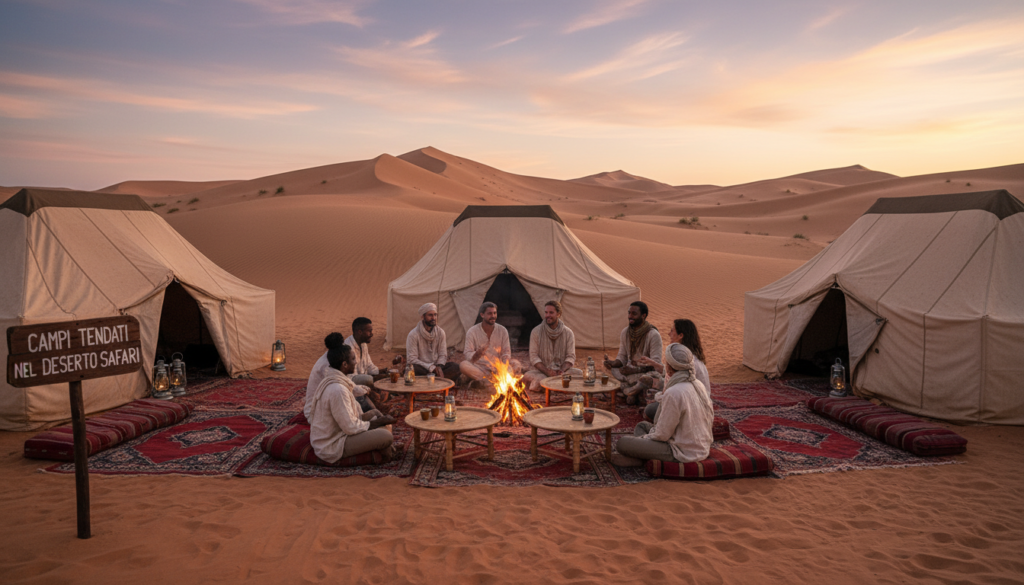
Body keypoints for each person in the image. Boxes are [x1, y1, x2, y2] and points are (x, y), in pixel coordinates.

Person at [613, 343, 714, 466]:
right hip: (701, 447)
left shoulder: (674, 392)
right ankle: (642, 455)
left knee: (622, 443)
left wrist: (644, 440)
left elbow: (662, 435)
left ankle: (640, 458)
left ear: (670, 368)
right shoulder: (698, 384)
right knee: (642, 426)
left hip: (681, 451)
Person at [308, 344, 397, 464]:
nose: (356, 363)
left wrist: (377, 421)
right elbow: (350, 427)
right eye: (353, 359)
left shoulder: (337, 379)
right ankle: (387, 453)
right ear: (344, 364)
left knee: (375, 413)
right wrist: (378, 422)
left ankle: (388, 448)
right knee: (386, 436)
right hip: (333, 444)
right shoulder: (338, 389)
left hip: (341, 430)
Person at [638, 318, 710, 422]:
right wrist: (653, 364)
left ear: (681, 336)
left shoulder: (687, 360)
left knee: (650, 410)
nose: (669, 334)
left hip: (692, 406)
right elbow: (674, 373)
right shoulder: (686, 356)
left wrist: (659, 397)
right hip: (692, 401)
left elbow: (675, 390)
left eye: (672, 331)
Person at [602, 301, 663, 405]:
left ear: (643, 315)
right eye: (629, 313)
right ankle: (635, 391)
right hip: (629, 372)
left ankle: (627, 391)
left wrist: (635, 370)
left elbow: (655, 365)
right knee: (609, 370)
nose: (630, 316)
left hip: (644, 373)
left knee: (649, 378)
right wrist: (612, 363)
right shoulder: (625, 332)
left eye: (634, 314)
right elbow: (622, 357)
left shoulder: (653, 335)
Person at [306, 332, 376, 419]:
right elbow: (349, 388)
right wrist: (366, 390)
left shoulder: (334, 359)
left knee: (359, 394)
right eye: (353, 359)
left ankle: (374, 413)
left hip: (327, 403)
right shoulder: (328, 365)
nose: (355, 362)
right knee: (358, 398)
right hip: (318, 412)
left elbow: (348, 383)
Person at [522, 300, 583, 392]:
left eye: (551, 312)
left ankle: (554, 385)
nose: (547, 315)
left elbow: (571, 356)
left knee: (579, 374)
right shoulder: (536, 332)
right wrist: (547, 371)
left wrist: (561, 370)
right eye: (546, 312)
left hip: (561, 372)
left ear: (558, 314)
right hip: (542, 372)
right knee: (538, 381)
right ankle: (556, 386)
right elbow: (534, 357)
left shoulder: (568, 333)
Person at [460, 302, 521, 386]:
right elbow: (467, 354)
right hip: (480, 367)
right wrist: (477, 354)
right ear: (482, 315)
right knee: (463, 365)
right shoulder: (472, 332)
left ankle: (485, 382)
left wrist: (503, 366)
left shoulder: (502, 331)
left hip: (498, 367)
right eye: (489, 313)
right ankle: (491, 381)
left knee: (516, 364)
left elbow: (506, 352)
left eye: (494, 313)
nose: (493, 316)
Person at [406, 303, 461, 379]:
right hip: (422, 368)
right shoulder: (413, 334)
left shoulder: (440, 332)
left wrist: (438, 366)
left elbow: (443, 355)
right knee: (413, 369)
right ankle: (438, 380)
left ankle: (433, 379)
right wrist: (430, 367)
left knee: (456, 367)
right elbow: (412, 359)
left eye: (435, 315)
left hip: (437, 367)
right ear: (422, 316)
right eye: (430, 315)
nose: (433, 318)